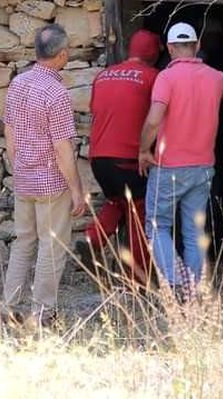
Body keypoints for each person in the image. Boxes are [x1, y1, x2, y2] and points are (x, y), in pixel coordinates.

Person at [138, 22, 223, 295]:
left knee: (157, 226)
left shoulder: (166, 78)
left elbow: (154, 120)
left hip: (169, 167)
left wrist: (144, 150)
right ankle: (193, 289)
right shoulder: (215, 77)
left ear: (170, 48)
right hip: (203, 167)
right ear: (197, 46)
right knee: (194, 232)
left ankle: (175, 281)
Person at [0, 23, 88, 325]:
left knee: (23, 242)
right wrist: (76, 190)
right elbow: (63, 148)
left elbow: (9, 132)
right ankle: (41, 313)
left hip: (23, 178)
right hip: (51, 182)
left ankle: (8, 306)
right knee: (51, 246)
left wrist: (18, 166)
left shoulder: (17, 83)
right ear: (62, 54)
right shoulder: (56, 93)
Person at [77, 29, 161, 285]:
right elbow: (158, 115)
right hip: (128, 158)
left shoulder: (103, 76)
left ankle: (92, 239)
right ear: (154, 52)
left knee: (117, 202)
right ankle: (137, 280)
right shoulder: (153, 77)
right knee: (139, 212)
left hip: (99, 158)